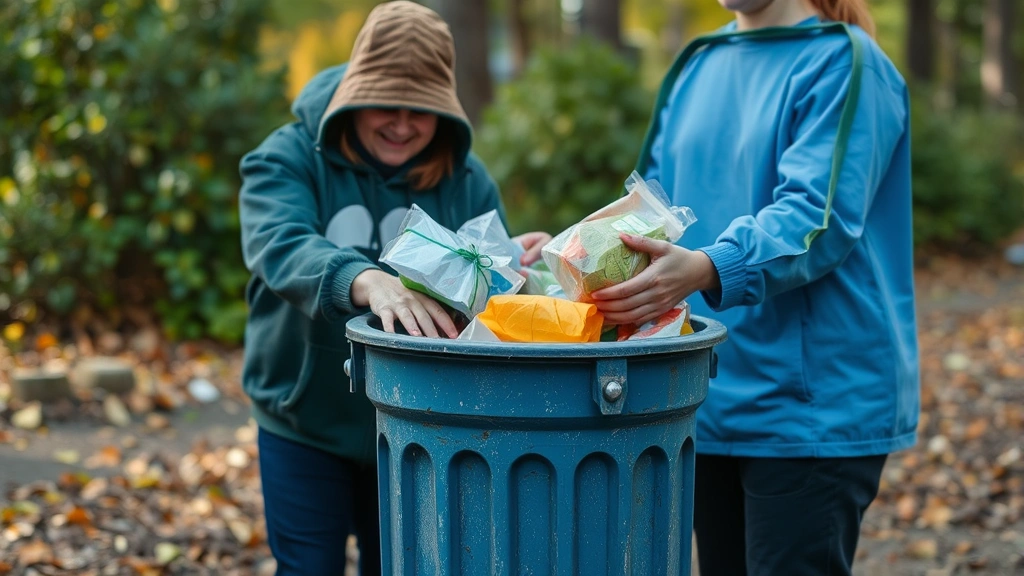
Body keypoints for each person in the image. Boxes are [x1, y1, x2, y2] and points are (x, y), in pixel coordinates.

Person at [590, 0, 919, 574]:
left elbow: (815, 218)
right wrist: (569, 254)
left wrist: (708, 267)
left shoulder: (846, 62)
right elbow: (651, 211)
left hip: (810, 407)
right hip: (699, 394)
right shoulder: (698, 61)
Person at [237, 2, 550, 574]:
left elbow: (488, 304)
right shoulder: (287, 157)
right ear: (355, 93)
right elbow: (277, 243)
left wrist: (513, 267)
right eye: (385, 104)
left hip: (420, 430)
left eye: (422, 110)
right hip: (306, 422)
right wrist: (367, 280)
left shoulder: (466, 178)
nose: (402, 124)